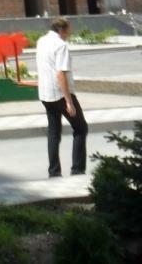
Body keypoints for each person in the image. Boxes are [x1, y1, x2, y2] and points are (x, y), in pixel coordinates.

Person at [36, 17, 88, 177]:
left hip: (45, 93)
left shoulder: (41, 41)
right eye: (68, 31)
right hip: (60, 93)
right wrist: (69, 101)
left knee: (53, 132)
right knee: (80, 128)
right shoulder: (61, 45)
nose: (68, 34)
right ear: (61, 30)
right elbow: (61, 73)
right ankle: (77, 169)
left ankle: (54, 171)